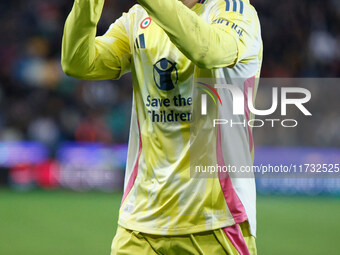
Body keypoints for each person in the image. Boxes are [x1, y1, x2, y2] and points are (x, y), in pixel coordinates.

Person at [62, 0, 262, 254]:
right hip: (140, 223)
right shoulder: (138, 18)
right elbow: (78, 63)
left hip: (216, 221)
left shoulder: (235, 11)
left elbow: (207, 50)